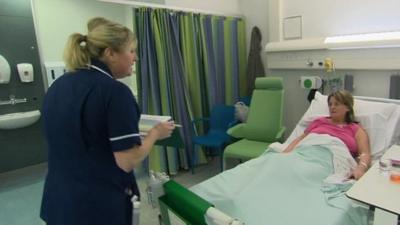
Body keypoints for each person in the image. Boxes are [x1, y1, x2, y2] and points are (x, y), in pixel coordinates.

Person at [40, 17, 175, 225]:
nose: (135, 58)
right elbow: (127, 161)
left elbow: (82, 136)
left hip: (59, 200)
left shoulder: (59, 86)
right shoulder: (115, 92)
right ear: (110, 53)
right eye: (131, 51)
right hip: (98, 205)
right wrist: (155, 133)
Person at [283, 90, 371, 180]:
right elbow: (300, 139)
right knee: (280, 165)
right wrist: (285, 155)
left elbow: (365, 153)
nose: (332, 107)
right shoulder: (319, 122)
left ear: (347, 107)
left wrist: (361, 168)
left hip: (331, 161)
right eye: (330, 104)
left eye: (336, 104)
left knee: (306, 174)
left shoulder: (356, 129)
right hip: (306, 152)